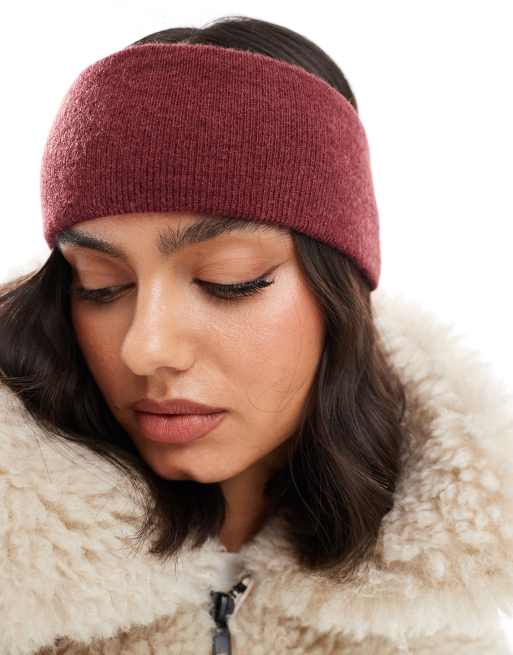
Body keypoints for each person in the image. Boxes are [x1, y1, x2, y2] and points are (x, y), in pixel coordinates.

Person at [1, 15, 513, 655]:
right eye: (102, 284)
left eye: (229, 279)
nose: (146, 347)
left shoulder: (438, 623)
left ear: (338, 297)